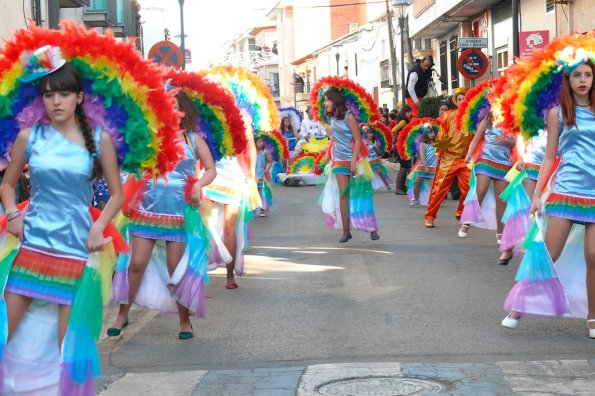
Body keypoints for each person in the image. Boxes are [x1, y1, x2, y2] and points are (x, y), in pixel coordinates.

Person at [0, 61, 123, 389]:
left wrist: (99, 228)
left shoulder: (99, 140)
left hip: (76, 253)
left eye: (64, 94)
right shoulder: (29, 137)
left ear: (80, 98)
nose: (56, 101)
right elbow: (7, 185)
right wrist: (12, 215)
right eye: (49, 94)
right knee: (2, 333)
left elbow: (117, 195)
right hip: (32, 248)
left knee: (67, 350)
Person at [108, 90, 216, 339]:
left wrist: (198, 185)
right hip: (147, 209)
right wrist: (128, 195)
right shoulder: (150, 137)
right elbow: (134, 169)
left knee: (175, 270)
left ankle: (184, 321)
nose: (172, 111)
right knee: (136, 265)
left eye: (177, 106)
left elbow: (211, 169)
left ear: (186, 111)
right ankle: (122, 316)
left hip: (178, 212)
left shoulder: (193, 140)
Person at [502, 53, 595, 336]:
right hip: (566, 192)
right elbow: (549, 157)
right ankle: (518, 306)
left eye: (588, 75)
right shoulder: (557, 113)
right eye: (577, 75)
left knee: (594, 256)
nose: (583, 80)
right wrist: (538, 193)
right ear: (567, 78)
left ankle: (593, 316)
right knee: (549, 253)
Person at [323, 87, 379, 242]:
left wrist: (354, 161)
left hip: (356, 158)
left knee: (361, 194)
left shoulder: (349, 116)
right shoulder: (331, 119)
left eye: (327, 100)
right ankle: (346, 232)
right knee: (343, 195)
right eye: (325, 100)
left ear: (335, 101)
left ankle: (372, 228)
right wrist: (329, 152)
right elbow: (334, 137)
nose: (324, 103)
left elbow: (358, 139)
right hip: (339, 160)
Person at [460, 112, 515, 265]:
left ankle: (500, 234)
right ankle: (467, 222)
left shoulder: (513, 120)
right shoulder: (487, 120)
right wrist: (469, 154)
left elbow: (515, 142)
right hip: (486, 159)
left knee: (501, 201)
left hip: (503, 163)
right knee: (481, 190)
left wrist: (506, 140)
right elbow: (476, 139)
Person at [423, 88, 470, 228]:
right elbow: (442, 135)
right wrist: (439, 153)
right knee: (439, 189)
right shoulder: (448, 115)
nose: (462, 101)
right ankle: (429, 216)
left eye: (464, 98)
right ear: (456, 101)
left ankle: (461, 212)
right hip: (448, 158)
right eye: (459, 99)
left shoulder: (472, 117)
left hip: (465, 159)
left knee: (468, 189)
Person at [408, 123, 437, 206]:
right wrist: (426, 166)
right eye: (430, 132)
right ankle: (416, 199)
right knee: (417, 182)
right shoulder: (423, 144)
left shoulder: (436, 143)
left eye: (433, 132)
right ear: (426, 133)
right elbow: (422, 155)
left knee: (433, 186)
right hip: (423, 166)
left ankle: (432, 201)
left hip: (433, 167)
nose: (432, 134)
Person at [392, 105, 413, 194]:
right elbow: (393, 130)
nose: (410, 114)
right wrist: (399, 138)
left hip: (403, 146)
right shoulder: (403, 121)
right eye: (409, 112)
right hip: (400, 146)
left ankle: (401, 187)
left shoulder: (404, 121)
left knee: (405, 166)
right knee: (404, 166)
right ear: (405, 112)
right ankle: (399, 188)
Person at [255, 136, 273, 216]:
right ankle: (254, 207)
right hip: (254, 174)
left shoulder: (265, 152)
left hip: (263, 174)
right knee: (255, 191)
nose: (261, 143)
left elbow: (270, 162)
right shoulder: (252, 152)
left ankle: (262, 209)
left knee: (262, 191)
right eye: (259, 142)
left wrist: (267, 169)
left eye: (262, 142)